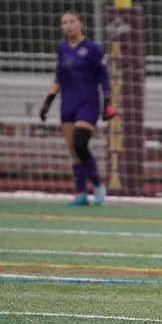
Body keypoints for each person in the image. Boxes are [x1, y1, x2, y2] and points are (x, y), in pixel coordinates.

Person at [40, 11, 117, 206]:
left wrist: (108, 102)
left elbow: (103, 77)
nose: (68, 26)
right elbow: (59, 78)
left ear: (81, 24)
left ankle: (98, 185)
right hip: (68, 104)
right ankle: (81, 194)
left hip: (88, 103)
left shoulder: (93, 48)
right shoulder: (63, 48)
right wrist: (47, 102)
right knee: (73, 150)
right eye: (64, 23)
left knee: (80, 143)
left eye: (72, 21)